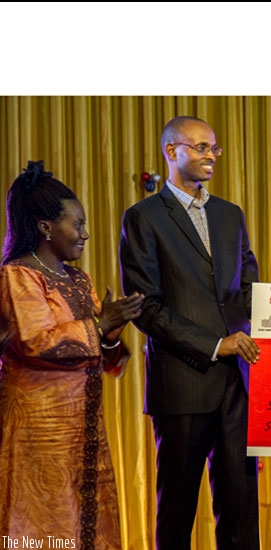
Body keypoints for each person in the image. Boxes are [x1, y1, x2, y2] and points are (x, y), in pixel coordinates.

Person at [119, 116, 271, 549]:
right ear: (171, 152)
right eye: (199, 147)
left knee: (240, 509)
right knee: (176, 510)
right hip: (181, 385)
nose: (210, 155)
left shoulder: (230, 215)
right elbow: (147, 309)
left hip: (237, 384)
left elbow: (246, 292)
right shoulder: (144, 218)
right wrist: (216, 344)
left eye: (213, 147)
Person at [0, 161, 144, 548]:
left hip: (83, 431)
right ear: (46, 227)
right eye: (76, 225)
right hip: (39, 433)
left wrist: (113, 330)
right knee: (45, 524)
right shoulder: (18, 276)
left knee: (87, 523)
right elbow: (34, 341)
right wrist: (99, 327)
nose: (85, 234)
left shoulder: (79, 279)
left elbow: (106, 357)